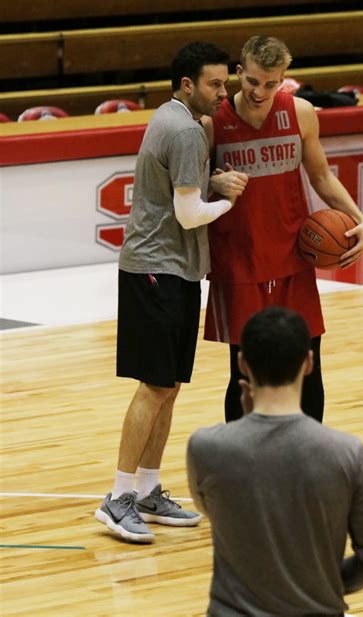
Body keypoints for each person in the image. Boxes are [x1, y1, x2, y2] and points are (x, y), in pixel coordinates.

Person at [95, 42, 248, 544]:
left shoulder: (174, 117)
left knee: (169, 386)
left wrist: (208, 179)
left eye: (225, 83)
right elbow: (187, 215)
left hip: (172, 269)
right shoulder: (184, 129)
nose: (223, 93)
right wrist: (225, 200)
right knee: (155, 385)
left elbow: (178, 188)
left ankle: (148, 489)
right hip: (156, 270)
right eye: (214, 84)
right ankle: (117, 498)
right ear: (187, 84)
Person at [202, 36, 363, 423]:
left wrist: (360, 218)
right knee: (242, 373)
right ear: (239, 72)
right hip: (238, 262)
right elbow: (192, 186)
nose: (260, 91)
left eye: (271, 83)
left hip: (294, 258)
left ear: (283, 79)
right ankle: (242, 461)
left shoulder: (301, 112)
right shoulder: (213, 122)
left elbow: (321, 176)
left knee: (308, 366)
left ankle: (306, 458)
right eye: (252, 82)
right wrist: (213, 184)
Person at [187, 306, 363, 616]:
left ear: (242, 363)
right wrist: (319, 585)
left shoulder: (206, 447)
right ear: (309, 362)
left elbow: (215, 509)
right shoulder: (349, 452)